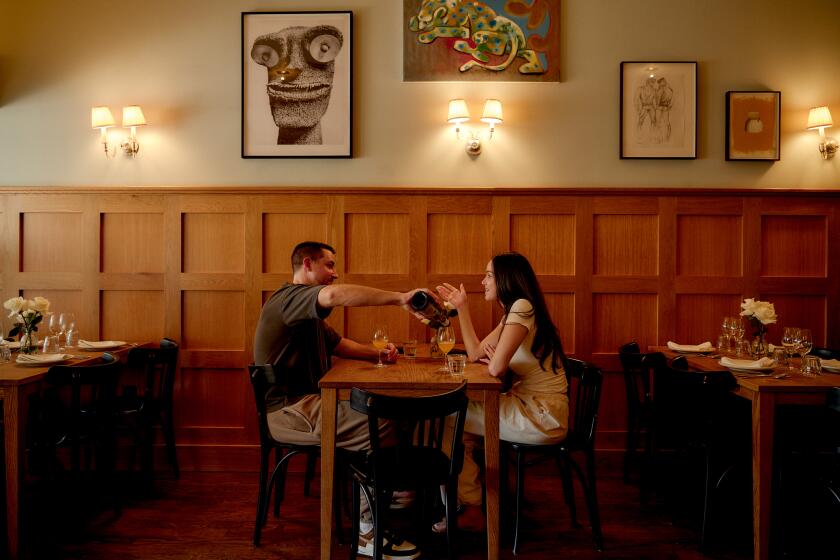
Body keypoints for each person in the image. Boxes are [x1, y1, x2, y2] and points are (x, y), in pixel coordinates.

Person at [253, 241, 422, 559]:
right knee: (380, 422)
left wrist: (379, 354)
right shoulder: (288, 299)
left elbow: (338, 343)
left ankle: (390, 494)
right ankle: (369, 532)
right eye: (328, 265)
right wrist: (400, 298)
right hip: (289, 411)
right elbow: (333, 295)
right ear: (307, 264)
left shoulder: (305, 313)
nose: (335, 272)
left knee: (393, 415)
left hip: (307, 403)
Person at [435, 251, 569, 532]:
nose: (483, 282)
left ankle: (469, 508)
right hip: (527, 404)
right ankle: (467, 504)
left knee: (448, 419)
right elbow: (474, 354)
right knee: (459, 425)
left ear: (506, 278)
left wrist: (497, 360)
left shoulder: (522, 307)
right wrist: (462, 308)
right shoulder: (513, 311)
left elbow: (495, 369)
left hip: (541, 414)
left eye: (488, 275)